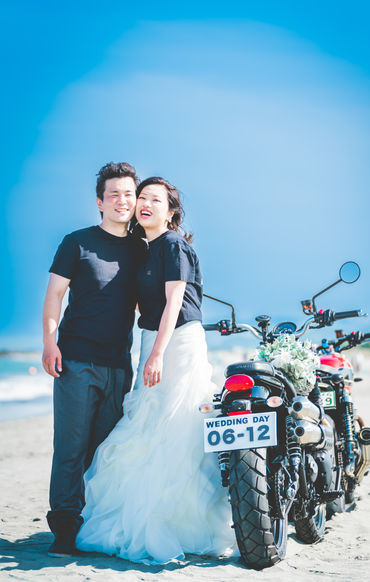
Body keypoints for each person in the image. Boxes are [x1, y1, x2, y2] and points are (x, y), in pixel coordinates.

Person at [76, 177, 236, 564]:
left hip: (178, 342)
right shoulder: (143, 250)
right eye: (142, 197)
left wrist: (158, 354)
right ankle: (153, 513)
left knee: (176, 425)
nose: (145, 203)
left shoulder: (173, 244)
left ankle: (180, 522)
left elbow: (174, 302)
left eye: (155, 199)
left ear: (171, 212)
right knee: (149, 426)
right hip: (152, 340)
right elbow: (140, 305)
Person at [42, 162, 144, 557]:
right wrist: (49, 343)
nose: (122, 200)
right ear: (100, 202)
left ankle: (95, 523)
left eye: (128, 194)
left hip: (119, 363)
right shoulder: (77, 242)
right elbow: (55, 295)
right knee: (71, 446)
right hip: (76, 360)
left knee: (105, 448)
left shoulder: (141, 248)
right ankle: (65, 528)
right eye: (114, 193)